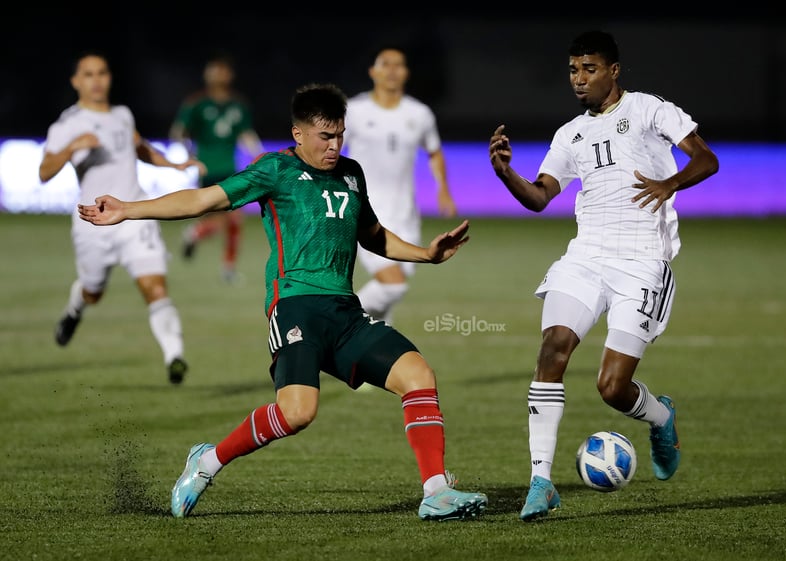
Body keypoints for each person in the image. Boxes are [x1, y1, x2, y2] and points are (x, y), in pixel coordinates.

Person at [78, 82, 488, 522]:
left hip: (344, 311)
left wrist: (426, 254)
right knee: (298, 413)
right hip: (294, 307)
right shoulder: (274, 170)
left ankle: (436, 491)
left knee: (418, 375)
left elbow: (373, 235)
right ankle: (207, 461)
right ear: (298, 134)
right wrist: (129, 208)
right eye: (324, 137)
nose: (334, 146)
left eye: (339, 136)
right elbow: (202, 200)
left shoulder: (351, 173)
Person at [488, 30, 719, 521]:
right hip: (586, 257)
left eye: (589, 68)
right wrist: (506, 172)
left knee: (612, 388)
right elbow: (538, 197)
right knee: (552, 348)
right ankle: (541, 480)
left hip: (641, 262)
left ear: (614, 70)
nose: (579, 79)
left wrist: (669, 183)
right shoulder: (570, 134)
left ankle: (660, 417)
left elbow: (706, 158)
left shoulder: (650, 110)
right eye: (573, 70)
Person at [40, 50, 201, 385]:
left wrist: (173, 165)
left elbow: (139, 148)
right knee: (93, 292)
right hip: (93, 221)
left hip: (134, 213)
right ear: (76, 81)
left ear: (109, 78)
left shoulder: (123, 115)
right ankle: (75, 309)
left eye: (102, 72)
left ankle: (175, 356)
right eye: (88, 74)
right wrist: (72, 148)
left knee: (155, 286)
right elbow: (44, 171)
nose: (96, 80)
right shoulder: (67, 124)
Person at [344, 46, 457, 325]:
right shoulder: (354, 110)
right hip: (366, 213)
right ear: (373, 71)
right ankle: (337, 321)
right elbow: (329, 147)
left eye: (399, 65)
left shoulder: (419, 114)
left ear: (406, 73)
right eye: (385, 64)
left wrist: (443, 188)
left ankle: (375, 359)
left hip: (406, 215)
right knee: (392, 285)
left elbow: (434, 151)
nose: (392, 70)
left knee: (389, 299)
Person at [170, 52, 265, 283]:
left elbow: (245, 134)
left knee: (233, 219)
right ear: (207, 74)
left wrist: (259, 155)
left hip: (229, 169)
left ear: (229, 75)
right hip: (206, 168)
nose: (218, 75)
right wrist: (189, 153)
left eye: (222, 70)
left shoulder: (238, 105)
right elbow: (178, 131)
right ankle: (198, 235)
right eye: (214, 70)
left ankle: (226, 266)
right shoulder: (196, 103)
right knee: (220, 218)